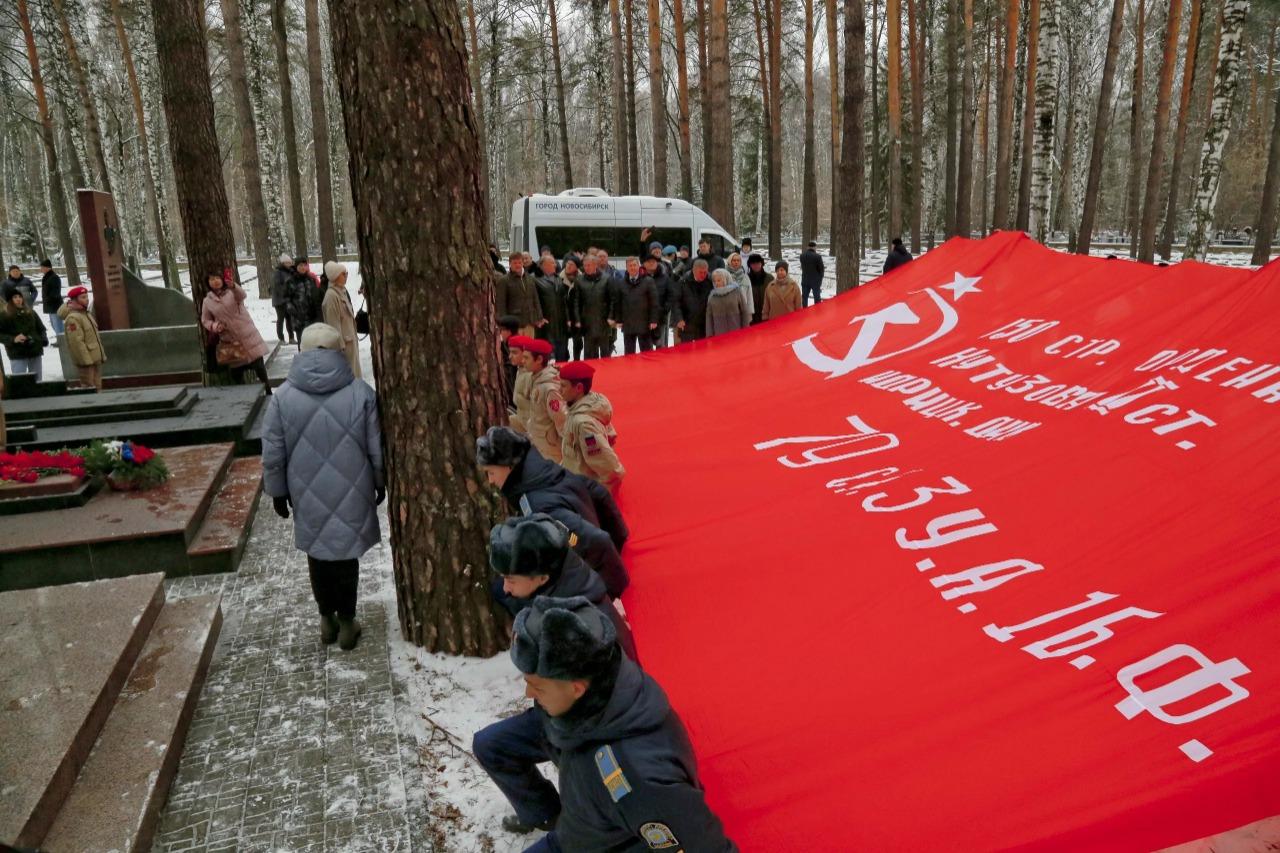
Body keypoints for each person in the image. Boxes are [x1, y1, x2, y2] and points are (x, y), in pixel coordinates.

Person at [472, 596, 736, 849]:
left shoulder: (635, 776)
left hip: (596, 844)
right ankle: (545, 817)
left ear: (576, 688)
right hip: (582, 822)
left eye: (537, 688)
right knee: (489, 744)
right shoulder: (596, 679)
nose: (528, 694)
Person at [262, 323, 385, 651]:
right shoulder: (361, 393)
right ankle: (347, 621)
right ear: (338, 351)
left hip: (306, 492)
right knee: (346, 557)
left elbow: (273, 450)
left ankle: (325, 618)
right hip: (353, 489)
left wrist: (277, 492)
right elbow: (376, 447)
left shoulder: (282, 398)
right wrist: (379, 480)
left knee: (317, 553)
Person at [477, 426, 629, 597]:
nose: (490, 480)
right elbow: (598, 493)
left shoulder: (538, 505)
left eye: (491, 472)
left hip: (587, 582)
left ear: (509, 466)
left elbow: (593, 541)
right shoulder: (543, 472)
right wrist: (620, 537)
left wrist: (609, 592)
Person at [488, 514, 635, 660]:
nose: (505, 588)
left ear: (543, 578)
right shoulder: (567, 583)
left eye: (510, 580)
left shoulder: (574, 628)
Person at [201, 272, 271, 391]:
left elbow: (242, 295)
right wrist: (215, 326)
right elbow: (205, 320)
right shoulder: (207, 301)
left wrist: (233, 285)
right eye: (212, 279)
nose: (215, 281)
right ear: (208, 282)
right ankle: (245, 399)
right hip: (230, 340)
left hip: (247, 335)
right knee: (236, 373)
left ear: (222, 280)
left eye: (217, 278)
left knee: (259, 367)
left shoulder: (231, 292)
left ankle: (269, 392)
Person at [559, 362, 624, 491]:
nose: (559, 390)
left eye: (563, 386)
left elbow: (611, 469)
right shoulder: (580, 405)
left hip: (582, 489)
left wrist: (600, 498)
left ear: (578, 388)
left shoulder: (583, 424)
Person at [524, 338, 566, 463]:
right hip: (538, 441)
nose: (523, 361)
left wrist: (569, 447)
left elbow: (561, 418)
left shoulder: (549, 388)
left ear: (539, 360)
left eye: (526, 358)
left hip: (550, 447)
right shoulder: (534, 379)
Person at [58, 286, 105, 391]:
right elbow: (76, 343)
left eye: (87, 296)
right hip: (86, 361)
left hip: (94, 359)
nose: (87, 299)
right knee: (89, 389)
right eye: (83, 297)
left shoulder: (85, 314)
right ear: (75, 300)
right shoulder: (73, 318)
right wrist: (86, 361)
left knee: (97, 388)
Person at [610, 258, 658, 355]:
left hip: (644, 323)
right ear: (626, 268)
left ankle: (648, 370)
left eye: (634, 265)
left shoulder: (648, 281)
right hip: (628, 324)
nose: (632, 267)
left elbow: (654, 302)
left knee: (647, 353)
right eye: (630, 265)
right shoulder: (621, 283)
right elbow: (618, 303)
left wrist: (654, 319)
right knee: (629, 354)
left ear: (639, 266)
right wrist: (618, 320)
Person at [321, 261, 361, 378]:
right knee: (348, 376)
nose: (346, 276)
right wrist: (340, 348)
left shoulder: (342, 291)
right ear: (335, 276)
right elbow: (334, 326)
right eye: (343, 274)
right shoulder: (331, 297)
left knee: (355, 374)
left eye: (346, 273)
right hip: (344, 346)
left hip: (350, 342)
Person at [0, 289, 49, 380]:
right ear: (10, 300)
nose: (18, 299)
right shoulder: (4, 315)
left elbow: (41, 328)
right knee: (20, 382)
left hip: (35, 350)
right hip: (18, 353)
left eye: (20, 297)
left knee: (37, 381)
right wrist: (13, 339)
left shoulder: (31, 312)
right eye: (15, 297)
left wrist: (43, 338)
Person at [497, 253, 545, 337]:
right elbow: (501, 304)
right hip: (514, 324)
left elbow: (535, 299)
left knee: (528, 349)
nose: (517, 265)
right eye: (515, 263)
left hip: (530, 322)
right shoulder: (504, 281)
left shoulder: (530, 279)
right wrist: (503, 324)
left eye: (519, 262)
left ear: (523, 263)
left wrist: (539, 317)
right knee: (515, 349)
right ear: (510, 264)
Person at [577, 256, 614, 359]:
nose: (586, 268)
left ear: (595, 265)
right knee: (589, 353)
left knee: (605, 353)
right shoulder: (579, 280)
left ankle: (605, 373)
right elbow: (576, 302)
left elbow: (612, 299)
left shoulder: (606, 278)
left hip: (603, 321)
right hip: (587, 322)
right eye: (584, 265)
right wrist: (577, 319)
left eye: (589, 265)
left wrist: (611, 316)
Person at [535, 256, 570, 361]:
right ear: (543, 265)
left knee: (562, 354)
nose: (555, 265)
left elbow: (565, 302)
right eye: (552, 263)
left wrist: (568, 318)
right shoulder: (535, 280)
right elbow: (534, 302)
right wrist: (539, 316)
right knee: (546, 355)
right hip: (546, 323)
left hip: (561, 323)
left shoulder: (559, 279)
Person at [671, 259, 713, 343]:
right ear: (693, 270)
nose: (703, 275)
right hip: (687, 322)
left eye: (705, 272)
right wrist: (679, 318)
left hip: (704, 324)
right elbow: (676, 302)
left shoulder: (710, 281)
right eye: (701, 272)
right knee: (687, 352)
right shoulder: (683, 282)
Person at [705, 268, 752, 337]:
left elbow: (744, 311)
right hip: (719, 334)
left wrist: (745, 330)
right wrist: (709, 335)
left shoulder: (736, 292)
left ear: (725, 279)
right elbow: (709, 317)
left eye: (719, 280)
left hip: (736, 332)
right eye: (714, 281)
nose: (716, 283)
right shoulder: (712, 296)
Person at [285, 257, 324, 342]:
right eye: (300, 265)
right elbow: (287, 301)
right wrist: (296, 313)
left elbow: (316, 296)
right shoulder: (291, 281)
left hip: (312, 319)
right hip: (299, 321)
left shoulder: (310, 279)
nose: (303, 267)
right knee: (303, 345)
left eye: (305, 265)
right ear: (296, 266)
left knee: (313, 345)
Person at [642, 255, 672, 348]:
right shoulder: (640, 277)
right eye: (649, 261)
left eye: (654, 262)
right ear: (644, 264)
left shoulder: (665, 278)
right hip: (644, 318)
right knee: (647, 346)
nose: (651, 264)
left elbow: (670, 295)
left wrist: (665, 309)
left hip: (660, 316)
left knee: (661, 345)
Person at [509, 334, 535, 433]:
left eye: (514, 353)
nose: (510, 356)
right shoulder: (521, 371)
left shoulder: (531, 376)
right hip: (523, 421)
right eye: (510, 352)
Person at [560, 258, 584, 361]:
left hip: (577, 316)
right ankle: (564, 360)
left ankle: (576, 361)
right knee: (563, 343)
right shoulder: (558, 278)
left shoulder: (582, 279)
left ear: (576, 267)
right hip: (563, 316)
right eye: (568, 263)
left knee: (578, 342)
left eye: (572, 264)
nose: (568, 266)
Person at [272, 254, 296, 344]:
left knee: (289, 319)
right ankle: (281, 338)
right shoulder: (278, 272)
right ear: (283, 263)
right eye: (288, 263)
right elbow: (277, 286)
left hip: (287, 300)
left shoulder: (290, 271)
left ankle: (291, 337)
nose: (290, 264)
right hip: (279, 300)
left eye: (290, 262)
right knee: (281, 319)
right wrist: (286, 293)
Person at [499, 315, 521, 406]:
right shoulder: (507, 343)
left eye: (502, 330)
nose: (500, 333)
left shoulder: (513, 345)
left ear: (508, 331)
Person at [39, 260, 62, 342]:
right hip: (50, 306)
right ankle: (59, 339)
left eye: (42, 267)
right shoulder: (47, 277)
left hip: (55, 305)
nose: (40, 269)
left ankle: (62, 340)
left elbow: (56, 292)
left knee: (58, 324)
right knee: (53, 324)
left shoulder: (54, 277)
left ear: (47, 267)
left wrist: (49, 299)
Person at [745, 254, 773, 325]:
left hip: (767, 314)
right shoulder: (746, 279)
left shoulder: (769, 278)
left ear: (761, 264)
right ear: (750, 265)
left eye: (758, 263)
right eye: (753, 263)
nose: (756, 265)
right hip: (752, 315)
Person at [725, 252, 754, 318]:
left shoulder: (745, 277)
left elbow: (749, 295)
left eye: (738, 260)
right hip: (729, 311)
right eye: (734, 260)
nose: (736, 262)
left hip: (743, 310)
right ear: (730, 261)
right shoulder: (724, 275)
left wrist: (750, 312)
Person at [799, 240, 826, 307]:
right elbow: (821, 269)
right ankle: (818, 311)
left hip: (805, 279)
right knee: (817, 297)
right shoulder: (817, 256)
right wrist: (820, 278)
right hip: (815, 280)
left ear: (808, 247)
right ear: (814, 247)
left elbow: (803, 267)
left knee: (804, 297)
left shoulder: (802, 256)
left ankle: (804, 311)